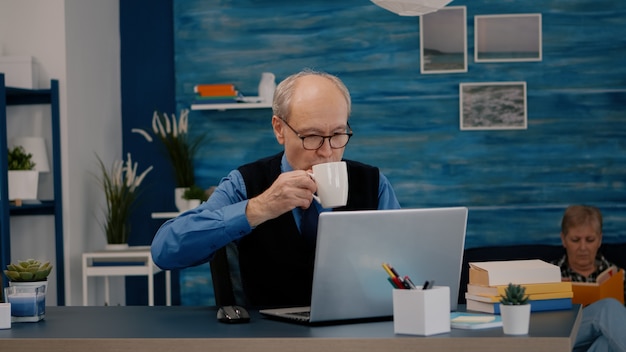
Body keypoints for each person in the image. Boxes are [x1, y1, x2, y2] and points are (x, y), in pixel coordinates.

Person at [151, 69, 400, 308]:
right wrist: (258, 208)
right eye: (311, 136)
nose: (327, 151)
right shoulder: (244, 183)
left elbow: (402, 266)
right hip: (267, 337)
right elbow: (164, 251)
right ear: (279, 129)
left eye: (338, 134)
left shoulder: (373, 184)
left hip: (354, 333)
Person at [553, 205, 626, 352]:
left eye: (590, 240)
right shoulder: (551, 274)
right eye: (575, 240)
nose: (583, 247)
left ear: (599, 240)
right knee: (608, 307)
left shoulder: (616, 274)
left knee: (606, 343)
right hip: (565, 340)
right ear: (564, 240)